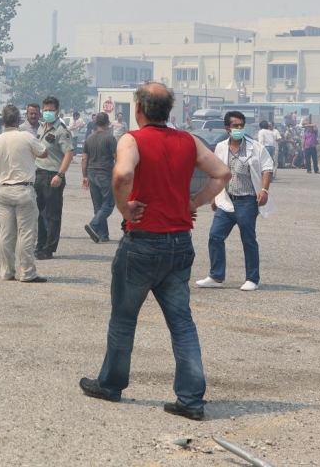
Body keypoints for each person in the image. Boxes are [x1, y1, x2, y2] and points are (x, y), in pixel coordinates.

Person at [79, 82, 231, 419]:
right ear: (169, 110)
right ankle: (191, 400)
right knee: (182, 324)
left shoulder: (132, 139)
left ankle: (110, 384)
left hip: (143, 243)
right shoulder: (188, 140)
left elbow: (123, 173)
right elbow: (222, 173)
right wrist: (194, 201)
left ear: (138, 109)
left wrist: (124, 208)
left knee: (124, 319)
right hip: (179, 242)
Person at [196, 111, 274, 291]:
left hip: (247, 201)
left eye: (241, 125)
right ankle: (216, 276)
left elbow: (267, 168)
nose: (239, 128)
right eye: (235, 125)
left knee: (248, 239)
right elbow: (216, 173)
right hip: (226, 200)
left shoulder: (256, 147)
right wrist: (215, 196)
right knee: (215, 236)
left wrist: (264, 190)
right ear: (227, 128)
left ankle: (252, 279)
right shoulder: (221, 147)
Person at [0, 105, 49, 283]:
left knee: (6, 234)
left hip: (4, 190)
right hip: (23, 190)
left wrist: (3, 166)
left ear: (2, 120)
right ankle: (27, 273)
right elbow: (44, 153)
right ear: (19, 120)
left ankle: (7, 271)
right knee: (26, 234)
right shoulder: (26, 137)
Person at [34, 96, 74, 260]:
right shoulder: (41, 127)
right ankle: (40, 244)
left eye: (51, 110)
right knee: (38, 213)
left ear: (57, 111)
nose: (48, 113)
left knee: (52, 215)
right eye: (46, 110)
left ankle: (48, 248)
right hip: (39, 174)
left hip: (53, 176)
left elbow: (68, 154)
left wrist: (60, 174)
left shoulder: (62, 131)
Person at [82, 112, 117, 243]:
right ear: (108, 123)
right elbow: (116, 157)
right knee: (108, 204)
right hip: (105, 173)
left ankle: (103, 235)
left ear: (95, 122)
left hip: (91, 173)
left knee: (98, 205)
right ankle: (93, 225)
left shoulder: (89, 138)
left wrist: (84, 176)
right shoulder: (110, 138)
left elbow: (84, 158)